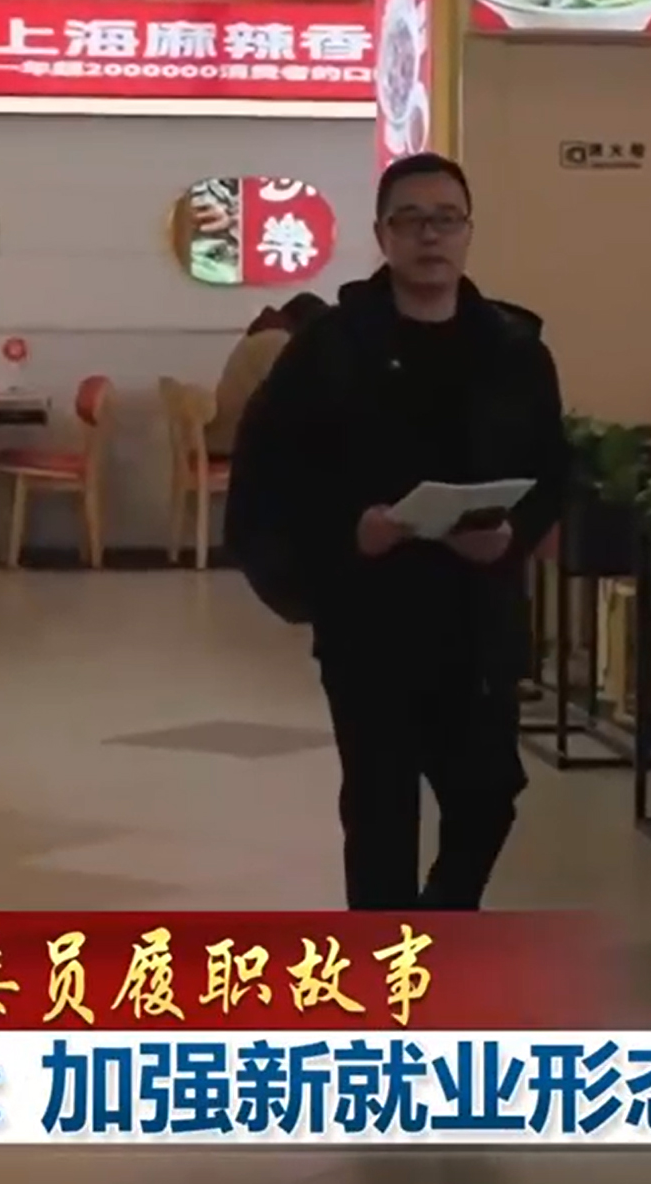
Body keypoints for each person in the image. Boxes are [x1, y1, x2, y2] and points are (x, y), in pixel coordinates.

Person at [225, 154, 568, 911]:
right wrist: (349, 532)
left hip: (476, 614)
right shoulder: (328, 350)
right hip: (370, 616)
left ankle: (438, 922)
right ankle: (390, 967)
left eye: (446, 219)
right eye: (410, 221)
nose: (429, 236)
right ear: (382, 236)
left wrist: (512, 533)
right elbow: (268, 476)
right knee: (381, 813)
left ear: (469, 231)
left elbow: (552, 469)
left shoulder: (514, 349)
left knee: (488, 795)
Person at [207, 292, 326, 459]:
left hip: (227, 440)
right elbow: (297, 399)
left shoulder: (262, 337)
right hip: (236, 447)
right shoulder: (277, 341)